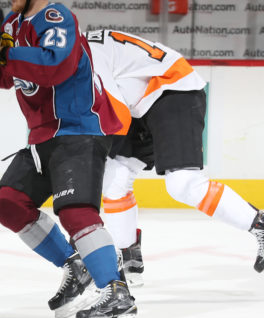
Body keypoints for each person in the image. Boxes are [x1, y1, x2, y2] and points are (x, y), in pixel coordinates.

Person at [0, 0, 139, 318]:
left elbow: (54, 64)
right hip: (43, 136)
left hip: (79, 128)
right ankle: (77, 265)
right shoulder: (13, 23)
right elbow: (7, 75)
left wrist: (2, 52)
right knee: (10, 205)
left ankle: (117, 294)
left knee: (75, 211)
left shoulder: (55, 17)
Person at [82, 29, 264, 286]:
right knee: (114, 179)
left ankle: (260, 225)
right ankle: (129, 260)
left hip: (171, 87)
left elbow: (118, 117)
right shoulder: (78, 45)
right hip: (139, 103)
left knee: (184, 184)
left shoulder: (89, 56)